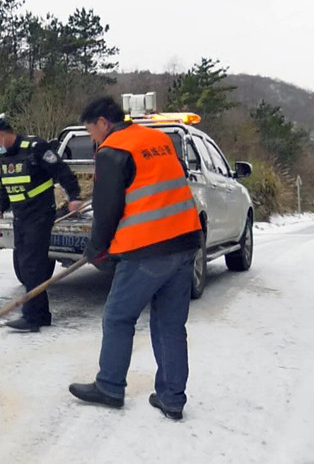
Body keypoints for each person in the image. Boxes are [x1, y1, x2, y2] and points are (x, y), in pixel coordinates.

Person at [68, 96, 203, 420]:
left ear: (103, 122)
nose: (93, 140)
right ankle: (172, 398)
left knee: (117, 317)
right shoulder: (158, 139)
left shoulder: (113, 150)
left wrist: (96, 249)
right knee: (170, 324)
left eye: (91, 132)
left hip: (147, 249)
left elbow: (106, 209)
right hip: (185, 241)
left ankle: (110, 387)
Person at [0, 113, 83, 333]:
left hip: (40, 214)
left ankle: (31, 317)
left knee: (32, 266)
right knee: (27, 266)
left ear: (3, 135)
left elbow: (61, 170)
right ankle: (41, 314)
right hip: (20, 217)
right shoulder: (5, 158)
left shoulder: (36, 147)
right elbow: (5, 184)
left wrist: (74, 196)